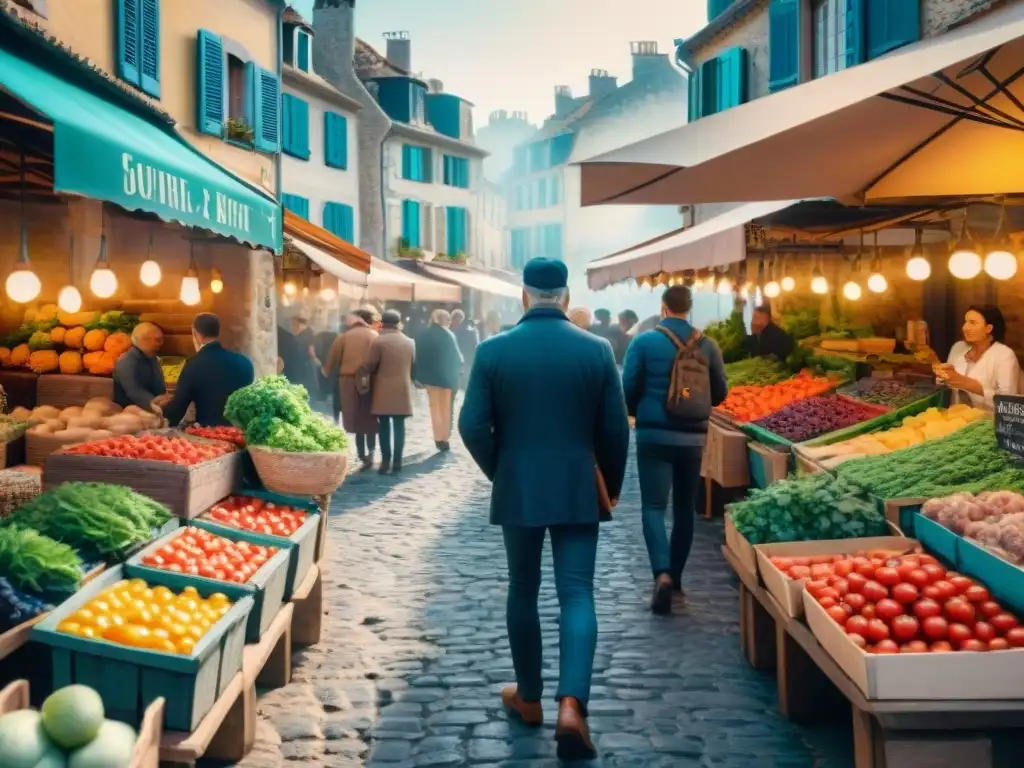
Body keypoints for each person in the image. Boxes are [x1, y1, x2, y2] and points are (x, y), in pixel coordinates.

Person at [459, 257, 629, 761]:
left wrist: (501, 470)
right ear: (567, 296)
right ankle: (572, 705)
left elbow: (471, 427)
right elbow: (616, 430)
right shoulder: (597, 350)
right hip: (578, 484)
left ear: (524, 297)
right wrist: (610, 487)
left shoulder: (492, 351)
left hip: (520, 487)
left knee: (523, 589)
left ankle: (528, 697)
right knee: (577, 593)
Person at [622, 285, 728, 614]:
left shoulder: (643, 341)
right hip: (693, 437)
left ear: (663, 307)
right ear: (689, 308)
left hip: (653, 435)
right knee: (684, 508)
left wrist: (637, 411)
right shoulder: (708, 345)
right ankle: (677, 576)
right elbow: (720, 393)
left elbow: (628, 386)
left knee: (653, 507)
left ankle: (661, 573)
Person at [155, 313, 255, 427]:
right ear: (217, 332)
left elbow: (178, 407)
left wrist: (158, 415)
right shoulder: (244, 361)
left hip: (211, 435)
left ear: (195, 333)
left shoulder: (194, 364)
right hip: (242, 432)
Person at [360, 310, 416, 474]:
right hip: (402, 389)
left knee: (384, 426)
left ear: (382, 323)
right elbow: (413, 367)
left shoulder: (378, 342)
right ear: (398, 324)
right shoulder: (410, 342)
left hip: (382, 389)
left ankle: (385, 462)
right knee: (400, 426)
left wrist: (362, 381)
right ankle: (397, 462)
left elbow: (368, 366)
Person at [322, 308, 379, 470]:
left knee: (354, 416)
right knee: (369, 415)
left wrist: (325, 371)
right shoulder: (374, 336)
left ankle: (361, 453)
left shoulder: (344, 337)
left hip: (348, 380)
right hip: (369, 380)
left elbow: (331, 360)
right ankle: (372, 450)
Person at [934, 305, 1021, 412]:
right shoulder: (958, 347)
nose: (965, 327)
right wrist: (942, 375)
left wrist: (968, 384)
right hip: (956, 418)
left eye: (973, 323)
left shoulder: (1004, 355)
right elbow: (946, 388)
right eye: (965, 322)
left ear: (988, 328)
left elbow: (1008, 403)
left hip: (988, 422)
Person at [415, 309, 463, 452]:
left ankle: (438, 439)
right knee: (445, 408)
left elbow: (418, 357)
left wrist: (418, 377)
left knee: (434, 408)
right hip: (447, 379)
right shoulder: (450, 335)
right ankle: (445, 437)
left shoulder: (423, 335)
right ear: (444, 321)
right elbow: (457, 358)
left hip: (431, 379)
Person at [113, 322, 166, 413]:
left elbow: (159, 384)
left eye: (161, 339)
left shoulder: (152, 357)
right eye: (157, 340)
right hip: (130, 413)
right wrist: (156, 403)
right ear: (142, 340)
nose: (161, 343)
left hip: (154, 409)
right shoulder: (125, 362)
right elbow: (134, 391)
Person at [290, 316, 319, 396]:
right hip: (303, 364)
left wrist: (314, 359)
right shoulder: (305, 333)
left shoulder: (306, 334)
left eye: (294, 324)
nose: (292, 327)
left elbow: (311, 349)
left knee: (306, 383)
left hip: (304, 364)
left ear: (301, 325)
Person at [450, 309, 479, 387]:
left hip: (465, 362)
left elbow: (474, 346)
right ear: (451, 321)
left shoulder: (469, 332)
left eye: (460, 321)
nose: (458, 323)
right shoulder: (448, 333)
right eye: (456, 321)